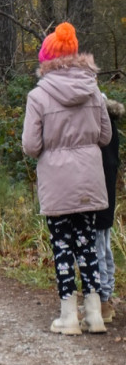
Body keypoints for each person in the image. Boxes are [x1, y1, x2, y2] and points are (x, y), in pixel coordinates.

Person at [21, 22, 112, 335]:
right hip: (89, 179)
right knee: (88, 246)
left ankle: (68, 316)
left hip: (57, 182)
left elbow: (31, 146)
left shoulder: (39, 97)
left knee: (62, 246)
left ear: (46, 60)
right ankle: (95, 315)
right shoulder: (94, 92)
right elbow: (105, 135)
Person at [94, 95, 122, 324]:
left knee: (98, 246)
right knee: (103, 241)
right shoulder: (109, 124)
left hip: (96, 192)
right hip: (105, 194)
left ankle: (103, 299)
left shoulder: (100, 125)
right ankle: (106, 296)